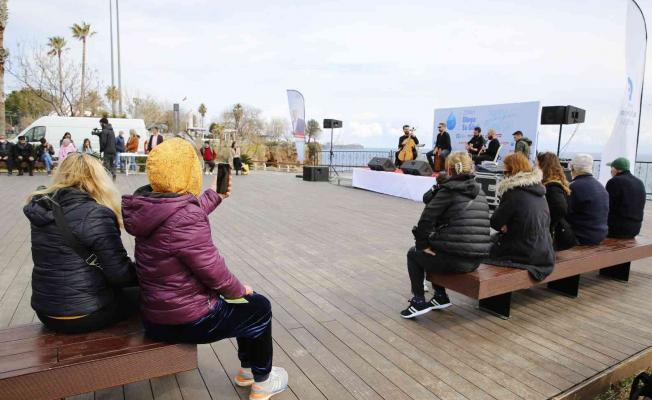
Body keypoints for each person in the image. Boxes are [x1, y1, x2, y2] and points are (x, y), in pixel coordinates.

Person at [121, 138, 288, 399]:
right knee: (258, 307)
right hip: (187, 321)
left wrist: (215, 195)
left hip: (155, 317)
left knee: (246, 306)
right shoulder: (185, 217)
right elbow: (213, 271)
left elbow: (180, 217)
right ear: (189, 172)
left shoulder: (148, 206)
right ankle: (262, 380)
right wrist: (239, 290)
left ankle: (247, 371)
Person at [23, 153, 139, 334]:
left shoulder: (42, 208)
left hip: (46, 312)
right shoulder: (96, 214)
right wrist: (146, 269)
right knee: (150, 295)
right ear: (98, 179)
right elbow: (120, 275)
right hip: (86, 314)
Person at [402, 152, 491, 318]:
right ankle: (440, 296)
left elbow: (426, 221)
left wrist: (422, 245)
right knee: (437, 249)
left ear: (449, 170)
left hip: (455, 260)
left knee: (415, 254)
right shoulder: (480, 192)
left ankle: (419, 301)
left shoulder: (448, 191)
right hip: (476, 260)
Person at [489, 152, 555, 281]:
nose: (504, 174)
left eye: (505, 171)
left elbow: (495, 222)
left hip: (523, 251)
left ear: (511, 171)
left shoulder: (513, 192)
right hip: (543, 250)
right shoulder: (540, 190)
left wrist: (507, 225)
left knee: (483, 247)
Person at [537, 152, 576, 250]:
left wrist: (548, 223)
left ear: (543, 167)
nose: (534, 168)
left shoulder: (552, 187)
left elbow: (560, 208)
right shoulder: (559, 183)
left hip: (551, 236)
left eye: (537, 165)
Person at [567, 153, 609, 245]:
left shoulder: (573, 187)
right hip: (600, 234)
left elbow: (565, 212)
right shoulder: (600, 186)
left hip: (582, 236)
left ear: (573, 168)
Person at [605, 157, 646, 238]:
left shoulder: (614, 181)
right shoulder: (639, 182)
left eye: (611, 168)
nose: (610, 171)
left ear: (614, 169)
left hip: (616, 229)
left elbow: (606, 205)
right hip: (635, 229)